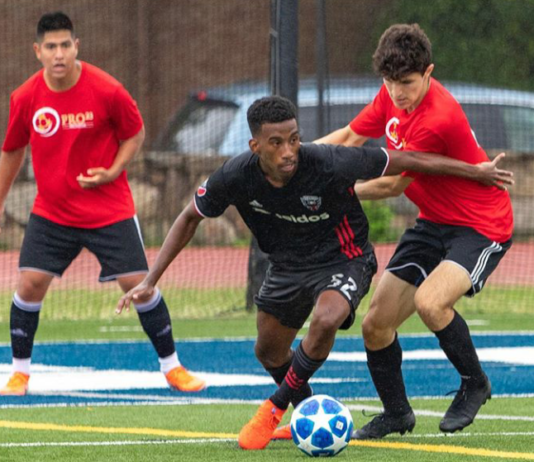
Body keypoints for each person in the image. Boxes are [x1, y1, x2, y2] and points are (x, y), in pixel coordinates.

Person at [118, 95, 511, 450]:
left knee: (326, 319)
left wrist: (475, 172)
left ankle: (275, 408)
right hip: (287, 266)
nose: (289, 151)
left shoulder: (327, 161)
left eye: (294, 139)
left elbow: (410, 160)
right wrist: (151, 279)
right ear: (255, 146)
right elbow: (190, 217)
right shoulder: (235, 174)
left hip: (345, 259)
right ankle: (306, 413)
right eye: (276, 143)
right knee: (268, 351)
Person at [315, 24, 514, 438]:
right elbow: (349, 137)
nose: (397, 93)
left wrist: (335, 193)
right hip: (433, 221)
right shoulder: (389, 95)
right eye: (389, 82)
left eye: (406, 83)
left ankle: (475, 383)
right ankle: (397, 414)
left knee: (430, 303)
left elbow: (390, 185)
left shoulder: (438, 118)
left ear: (428, 73)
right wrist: (300, 160)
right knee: (375, 324)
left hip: (480, 225)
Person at [0, 12, 205, 396]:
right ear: (37, 51)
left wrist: (113, 170)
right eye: (50, 47)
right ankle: (20, 373)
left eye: (65, 45)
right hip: (52, 211)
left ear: (76, 46)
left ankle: (173, 367)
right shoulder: (25, 97)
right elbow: (12, 150)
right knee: (29, 283)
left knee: (138, 285)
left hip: (109, 209)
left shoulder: (107, 89)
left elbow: (135, 133)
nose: (58, 54)